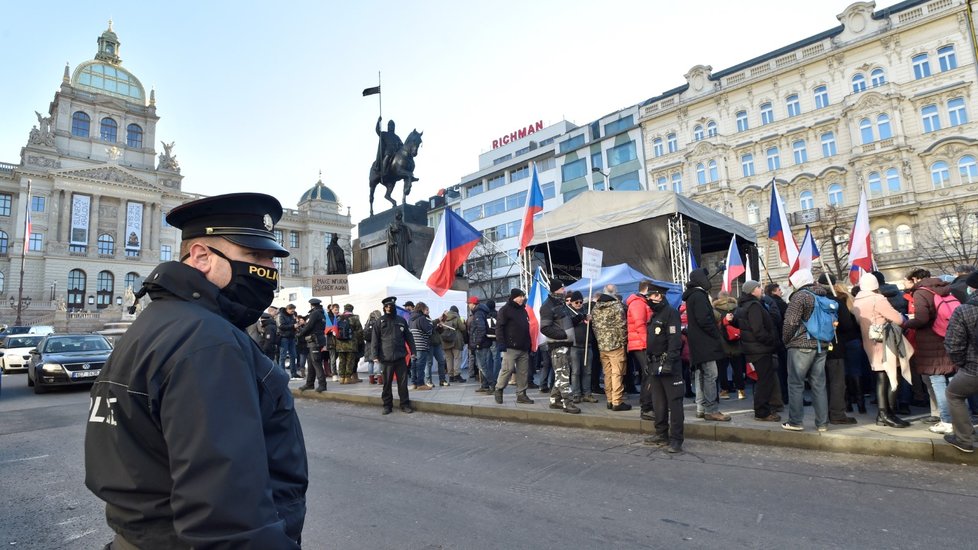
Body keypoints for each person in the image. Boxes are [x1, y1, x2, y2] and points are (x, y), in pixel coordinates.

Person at [84, 192, 307, 548]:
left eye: (271, 257)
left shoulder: (155, 324)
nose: (269, 270)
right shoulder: (208, 339)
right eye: (253, 255)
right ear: (201, 256)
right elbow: (228, 517)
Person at [852, 272, 912, 428]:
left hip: (869, 342)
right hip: (885, 341)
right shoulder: (877, 299)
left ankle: (883, 414)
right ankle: (887, 414)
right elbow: (897, 319)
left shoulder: (857, 300)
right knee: (891, 377)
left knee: (881, 378)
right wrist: (904, 317)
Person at [904, 268, 958, 434]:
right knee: (954, 380)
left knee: (937, 380)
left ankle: (947, 420)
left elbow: (922, 319)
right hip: (950, 337)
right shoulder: (945, 288)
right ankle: (962, 418)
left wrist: (906, 323)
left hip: (931, 341)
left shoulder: (920, 293)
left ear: (914, 279)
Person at [781, 270, 831, 432]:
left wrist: (786, 340)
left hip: (801, 345)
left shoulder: (800, 296)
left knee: (796, 384)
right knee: (819, 384)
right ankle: (822, 423)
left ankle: (795, 421)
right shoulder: (823, 295)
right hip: (821, 343)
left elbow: (790, 322)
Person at [684, 268, 731, 422]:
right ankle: (711, 409)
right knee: (711, 375)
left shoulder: (693, 295)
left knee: (704, 375)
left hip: (699, 342)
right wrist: (716, 334)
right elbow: (704, 319)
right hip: (705, 343)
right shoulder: (698, 295)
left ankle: (704, 408)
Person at [642, 283, 685, 453]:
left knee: (674, 403)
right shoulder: (655, 315)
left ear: (659, 295)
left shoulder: (670, 313)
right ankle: (661, 433)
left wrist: (669, 362)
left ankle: (676, 439)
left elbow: (675, 341)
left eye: (651, 296)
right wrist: (647, 361)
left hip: (669, 365)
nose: (648, 300)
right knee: (658, 402)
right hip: (654, 364)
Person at [735, 280, 781, 422]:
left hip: (754, 348)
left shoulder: (744, 305)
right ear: (752, 291)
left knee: (763, 380)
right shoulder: (754, 306)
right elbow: (758, 330)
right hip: (760, 349)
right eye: (758, 287)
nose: (761, 289)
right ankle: (762, 412)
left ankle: (762, 409)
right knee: (765, 381)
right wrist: (771, 341)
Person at [943, 271, 978, 452]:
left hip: (973, 368)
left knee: (954, 394)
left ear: (972, 288)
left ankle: (964, 439)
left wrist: (961, 363)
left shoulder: (965, 310)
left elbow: (953, 344)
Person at [818, 274, 858, 425]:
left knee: (821, 382)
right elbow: (847, 325)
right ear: (833, 285)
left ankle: (822, 414)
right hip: (835, 345)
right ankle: (836, 414)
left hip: (816, 346)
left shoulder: (813, 301)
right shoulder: (835, 302)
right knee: (837, 381)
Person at [540, 281, 581, 414]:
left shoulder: (561, 304)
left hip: (565, 344)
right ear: (556, 290)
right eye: (562, 288)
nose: (564, 290)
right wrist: (563, 335)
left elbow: (564, 323)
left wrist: (579, 318)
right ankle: (567, 403)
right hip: (558, 345)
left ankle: (554, 400)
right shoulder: (548, 306)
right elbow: (545, 328)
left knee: (560, 374)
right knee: (563, 374)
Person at [373, 296, 416, 414]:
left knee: (403, 384)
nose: (388, 308)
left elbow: (409, 337)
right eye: (386, 306)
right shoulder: (380, 321)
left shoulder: (401, 320)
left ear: (394, 306)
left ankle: (405, 404)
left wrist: (413, 351)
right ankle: (387, 405)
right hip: (385, 357)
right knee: (386, 384)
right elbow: (375, 339)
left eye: (390, 306)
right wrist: (375, 355)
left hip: (400, 357)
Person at [494, 289, 535, 405]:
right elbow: (499, 327)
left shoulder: (523, 310)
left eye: (523, 296)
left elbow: (527, 328)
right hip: (510, 347)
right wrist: (501, 343)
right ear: (514, 297)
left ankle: (521, 395)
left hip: (523, 347)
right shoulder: (505, 310)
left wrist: (530, 344)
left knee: (523, 372)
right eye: (520, 296)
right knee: (507, 369)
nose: (523, 298)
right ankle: (499, 388)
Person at [592, 291, 630, 411]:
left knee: (607, 373)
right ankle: (617, 401)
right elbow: (622, 326)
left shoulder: (595, 309)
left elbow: (594, 327)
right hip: (616, 345)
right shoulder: (616, 308)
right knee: (617, 373)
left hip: (602, 346)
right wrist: (624, 342)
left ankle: (609, 400)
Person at [627, 281, 655, 420]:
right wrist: (648, 344)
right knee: (649, 374)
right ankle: (646, 407)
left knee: (647, 374)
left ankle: (648, 405)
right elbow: (640, 325)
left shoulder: (640, 302)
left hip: (640, 343)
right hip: (641, 344)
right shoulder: (638, 303)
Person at [714, 290, 746, 400]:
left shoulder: (715, 310)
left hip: (722, 344)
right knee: (737, 368)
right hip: (736, 341)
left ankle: (724, 391)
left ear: (718, 298)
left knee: (722, 369)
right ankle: (741, 391)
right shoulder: (736, 309)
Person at [568, 291, 596, 403]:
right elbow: (570, 323)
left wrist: (591, 320)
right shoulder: (568, 311)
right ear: (572, 302)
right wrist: (581, 317)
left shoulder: (586, 311)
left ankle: (587, 393)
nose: (579, 304)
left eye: (580, 301)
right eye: (576, 302)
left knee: (587, 371)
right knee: (575, 372)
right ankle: (576, 394)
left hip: (587, 345)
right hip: (575, 346)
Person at [298, 298, 328, 392]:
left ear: (311, 305)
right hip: (315, 340)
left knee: (316, 362)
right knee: (311, 363)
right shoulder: (321, 313)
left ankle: (322, 384)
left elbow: (309, 326)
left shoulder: (314, 313)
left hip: (315, 341)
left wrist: (300, 333)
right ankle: (309, 384)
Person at [468, 297, 495, 393]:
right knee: (483, 365)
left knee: (482, 366)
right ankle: (485, 385)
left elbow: (481, 329)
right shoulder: (481, 311)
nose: (468, 305)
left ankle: (492, 385)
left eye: (469, 303)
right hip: (485, 342)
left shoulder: (478, 313)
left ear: (473, 304)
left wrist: (477, 343)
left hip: (481, 344)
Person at [335, 304, 364, 384]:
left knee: (342, 361)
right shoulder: (355, 318)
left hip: (340, 344)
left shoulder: (339, 318)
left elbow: (335, 330)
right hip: (351, 344)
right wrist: (360, 342)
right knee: (350, 361)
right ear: (352, 310)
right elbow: (359, 331)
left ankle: (341, 378)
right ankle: (347, 378)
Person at [440, 305, 468, 383]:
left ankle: (450, 376)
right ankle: (457, 375)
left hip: (445, 341)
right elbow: (463, 328)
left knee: (448, 359)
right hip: (456, 340)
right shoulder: (456, 317)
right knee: (457, 358)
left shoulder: (444, 317)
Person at [278, 303, 298, 377]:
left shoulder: (292, 316)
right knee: (282, 356)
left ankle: (294, 373)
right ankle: (282, 373)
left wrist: (296, 324)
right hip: (284, 337)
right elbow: (281, 326)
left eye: (294, 311)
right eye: (292, 311)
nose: (293, 312)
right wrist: (293, 326)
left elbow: (294, 324)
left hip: (291, 337)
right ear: (287, 309)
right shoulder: (281, 315)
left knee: (293, 355)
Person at [363, 309, 383, 384]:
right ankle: (380, 379)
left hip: (368, 345)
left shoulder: (367, 323)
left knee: (370, 362)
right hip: (377, 344)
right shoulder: (379, 322)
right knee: (378, 362)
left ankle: (371, 379)